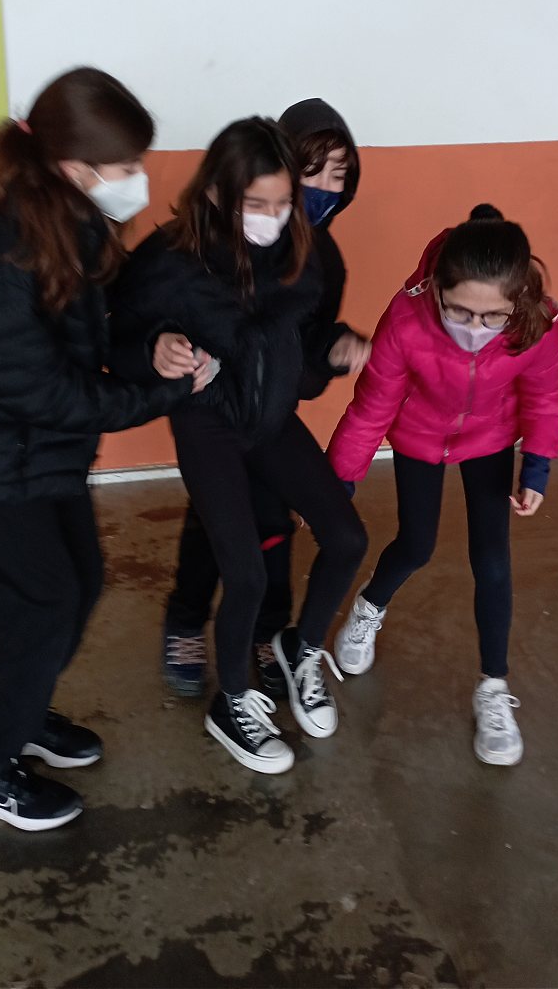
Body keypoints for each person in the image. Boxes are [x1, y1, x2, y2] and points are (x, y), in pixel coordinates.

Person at [0, 67, 204, 830]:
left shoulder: (67, 221)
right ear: (75, 168)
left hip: (40, 451)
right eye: (125, 166)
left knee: (77, 585)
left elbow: (95, 334)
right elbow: (54, 394)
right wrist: (166, 393)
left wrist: (152, 352)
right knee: (42, 610)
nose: (137, 179)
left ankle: (25, 709)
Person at [110, 117, 368, 774]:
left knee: (346, 538)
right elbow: (116, 339)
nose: (272, 218)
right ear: (218, 193)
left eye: (283, 203)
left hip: (271, 418)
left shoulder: (304, 251)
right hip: (208, 424)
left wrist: (333, 351)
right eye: (257, 204)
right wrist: (154, 349)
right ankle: (233, 703)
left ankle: (300, 650)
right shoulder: (169, 260)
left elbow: (303, 350)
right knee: (246, 571)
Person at [327, 205, 558, 767]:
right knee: (417, 544)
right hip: (419, 434)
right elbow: (372, 407)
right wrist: (339, 482)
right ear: (437, 288)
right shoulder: (407, 318)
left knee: (492, 560)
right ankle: (369, 607)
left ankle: (493, 687)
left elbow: (546, 396)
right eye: (459, 311)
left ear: (518, 302)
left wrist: (536, 464)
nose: (475, 328)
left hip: (489, 438)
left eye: (492, 317)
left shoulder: (535, 322)